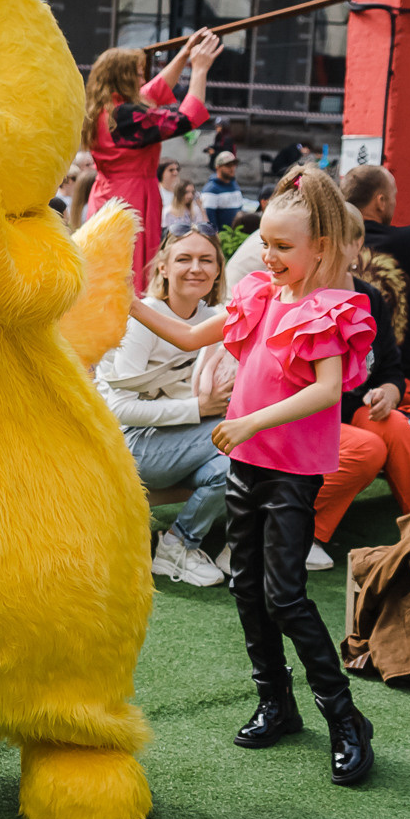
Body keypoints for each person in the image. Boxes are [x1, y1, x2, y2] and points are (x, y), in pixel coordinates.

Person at [127, 166, 377, 786]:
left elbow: (325, 393)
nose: (268, 255)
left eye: (283, 246)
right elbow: (184, 332)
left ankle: (344, 717)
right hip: (248, 466)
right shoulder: (263, 297)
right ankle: (276, 702)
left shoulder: (325, 309)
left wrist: (248, 421)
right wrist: (124, 297)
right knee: (248, 587)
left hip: (291, 471)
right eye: (265, 243)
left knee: (285, 595)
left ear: (321, 246)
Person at [95, 221, 232, 588]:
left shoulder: (215, 318)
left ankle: (178, 545)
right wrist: (198, 410)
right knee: (244, 438)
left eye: (206, 259)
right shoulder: (142, 319)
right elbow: (118, 409)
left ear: (218, 268)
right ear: (163, 268)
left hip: (185, 444)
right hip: (134, 446)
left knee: (231, 465)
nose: (195, 268)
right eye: (184, 259)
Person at [307, 210, 410, 563]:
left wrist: (390, 393)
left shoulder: (370, 297)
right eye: (323, 241)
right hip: (309, 418)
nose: (330, 250)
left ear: (357, 246)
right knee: (368, 448)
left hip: (352, 413)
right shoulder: (304, 295)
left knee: (394, 424)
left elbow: (391, 370)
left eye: (339, 241)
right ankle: (298, 529)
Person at [83, 30, 223, 276]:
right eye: (137, 75)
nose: (141, 79)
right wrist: (199, 69)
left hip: (108, 194)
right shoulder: (126, 115)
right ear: (123, 79)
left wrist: (184, 54)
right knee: (130, 268)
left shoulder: (105, 109)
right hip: (131, 198)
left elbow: (153, 92)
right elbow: (187, 118)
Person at [342, 163, 410, 375]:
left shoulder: (331, 243)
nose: (395, 202)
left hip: (343, 372)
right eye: (393, 195)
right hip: (399, 375)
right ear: (381, 201)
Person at [201, 149, 247, 228]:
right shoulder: (211, 190)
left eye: (234, 165)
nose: (232, 168)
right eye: (228, 165)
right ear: (218, 167)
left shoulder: (235, 185)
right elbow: (209, 219)